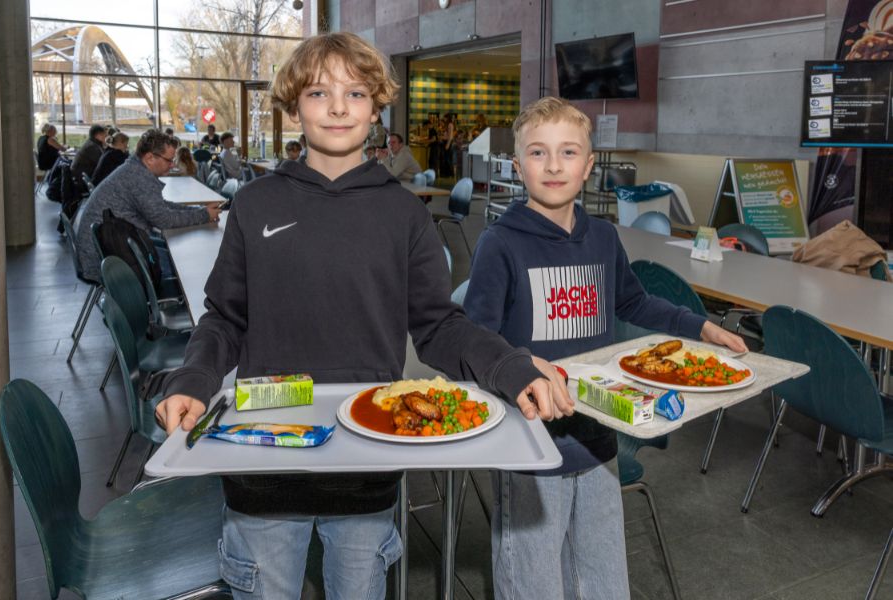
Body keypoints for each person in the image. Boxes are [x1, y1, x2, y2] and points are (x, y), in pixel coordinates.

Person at [154, 31, 570, 600]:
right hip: (265, 458)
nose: (337, 107)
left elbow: (439, 325)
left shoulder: (402, 214)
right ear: (294, 104)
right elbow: (225, 317)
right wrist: (195, 379)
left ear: (376, 106)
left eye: (354, 93)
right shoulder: (256, 204)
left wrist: (509, 365)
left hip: (368, 460)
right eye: (319, 93)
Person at [463, 96, 747, 600]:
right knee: (533, 583)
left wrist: (699, 327)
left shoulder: (603, 237)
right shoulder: (499, 244)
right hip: (530, 446)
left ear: (590, 165)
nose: (554, 166)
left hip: (599, 438)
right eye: (538, 153)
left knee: (603, 579)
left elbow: (634, 301)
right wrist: (518, 362)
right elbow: (476, 338)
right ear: (516, 165)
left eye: (569, 152)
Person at [73, 129, 220, 283]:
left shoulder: (135, 169)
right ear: (150, 158)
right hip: (108, 262)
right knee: (188, 268)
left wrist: (200, 210)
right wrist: (204, 215)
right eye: (169, 160)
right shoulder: (139, 178)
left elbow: (161, 206)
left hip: (109, 250)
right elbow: (163, 220)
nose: (172, 165)